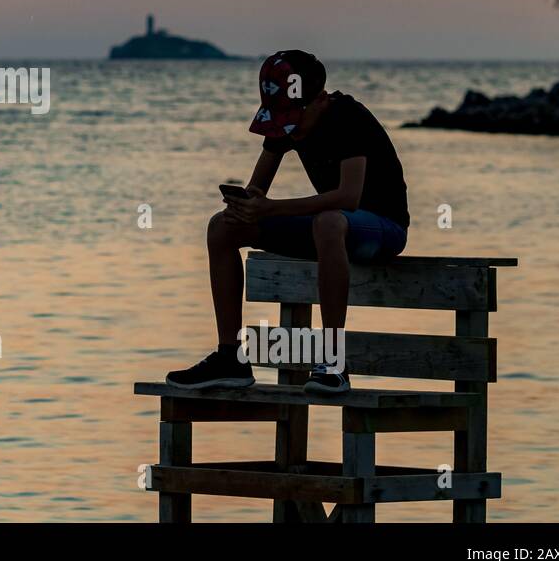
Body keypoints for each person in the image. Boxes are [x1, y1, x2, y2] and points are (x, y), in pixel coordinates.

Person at [166, 50, 409, 394]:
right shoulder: (285, 125)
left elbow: (348, 197)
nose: (289, 132)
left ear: (320, 100)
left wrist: (272, 209)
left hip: (382, 229)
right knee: (221, 227)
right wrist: (246, 205)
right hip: (329, 231)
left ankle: (334, 361)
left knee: (328, 222)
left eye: (293, 120)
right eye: (281, 121)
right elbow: (258, 187)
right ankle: (230, 356)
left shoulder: (347, 117)